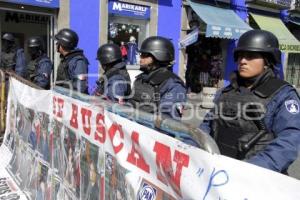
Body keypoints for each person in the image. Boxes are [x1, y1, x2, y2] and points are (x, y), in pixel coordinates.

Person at [200, 29, 300, 173]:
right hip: (217, 172)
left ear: (267, 61)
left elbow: (289, 141)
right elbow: (207, 125)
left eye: (251, 56)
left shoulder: (282, 95)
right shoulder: (225, 92)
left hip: (255, 179)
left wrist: (251, 170)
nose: (243, 61)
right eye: (240, 56)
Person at [129, 36, 186, 120]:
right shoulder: (141, 79)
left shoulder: (172, 85)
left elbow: (168, 122)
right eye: (141, 55)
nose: (140, 59)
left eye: (144, 55)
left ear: (159, 56)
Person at [54, 28, 89, 94]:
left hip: (73, 101)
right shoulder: (66, 59)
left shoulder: (78, 61)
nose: (56, 44)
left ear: (63, 43)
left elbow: (80, 87)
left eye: (57, 42)